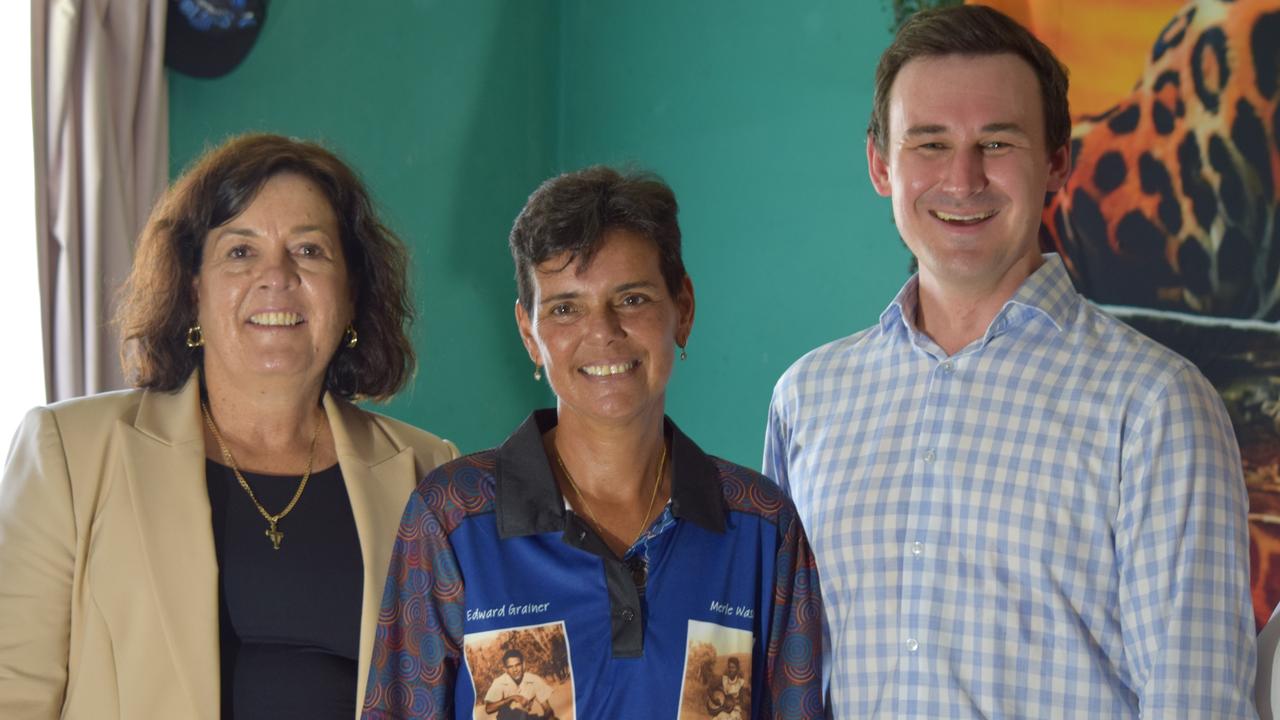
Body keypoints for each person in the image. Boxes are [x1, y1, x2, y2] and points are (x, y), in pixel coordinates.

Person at [764, 5, 1255, 717]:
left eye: (997, 143)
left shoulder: (1155, 406)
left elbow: (1198, 703)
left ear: (1058, 162)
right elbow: (785, 678)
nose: (963, 180)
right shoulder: (807, 399)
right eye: (929, 144)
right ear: (880, 164)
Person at [0, 133, 459, 719]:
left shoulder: (430, 473)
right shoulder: (68, 453)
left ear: (350, 293)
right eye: (240, 252)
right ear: (193, 290)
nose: (277, 276)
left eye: (310, 250)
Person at [363, 167, 823, 719]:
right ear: (529, 334)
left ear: (684, 309)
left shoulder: (761, 528)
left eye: (632, 299)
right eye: (564, 308)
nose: (602, 331)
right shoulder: (452, 520)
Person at [483, 649, 555, 719]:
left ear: (523, 665)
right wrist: (511, 698)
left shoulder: (534, 680)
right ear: (505, 669)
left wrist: (549, 716)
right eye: (510, 667)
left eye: (517, 665)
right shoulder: (499, 683)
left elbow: (547, 708)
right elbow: (488, 709)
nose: (515, 670)